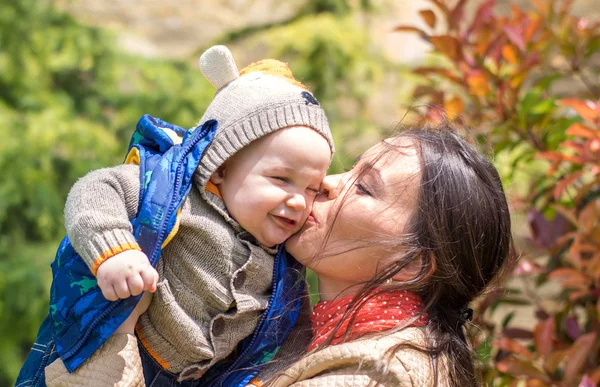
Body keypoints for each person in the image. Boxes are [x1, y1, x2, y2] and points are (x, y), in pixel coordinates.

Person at [45, 124, 512, 387]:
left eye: (365, 187)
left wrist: (119, 329)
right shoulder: (307, 329)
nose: (327, 183)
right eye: (350, 168)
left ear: (412, 264)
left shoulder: (375, 377)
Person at [17, 45, 334, 387]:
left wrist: (265, 378)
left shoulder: (284, 263)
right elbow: (95, 189)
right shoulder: (171, 193)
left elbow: (291, 329)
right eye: (282, 179)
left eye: (312, 188)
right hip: (114, 349)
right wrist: (115, 249)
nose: (300, 201)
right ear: (220, 169)